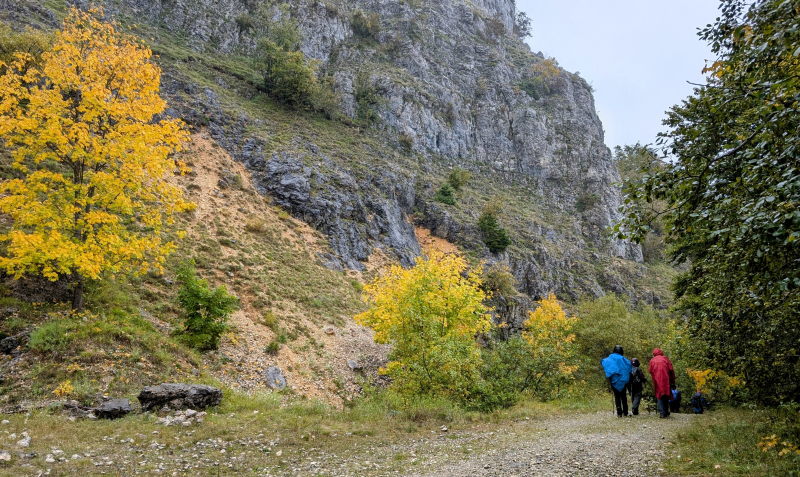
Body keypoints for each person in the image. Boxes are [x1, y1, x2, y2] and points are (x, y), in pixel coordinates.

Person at [601, 345, 632, 417]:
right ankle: (625, 412)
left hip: (614, 381)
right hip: (623, 380)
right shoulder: (623, 359)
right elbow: (629, 367)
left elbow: (606, 365)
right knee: (623, 396)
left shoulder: (609, 358)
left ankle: (619, 413)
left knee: (617, 396)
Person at [648, 348, 676, 418]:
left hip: (657, 380)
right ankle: (665, 411)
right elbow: (671, 370)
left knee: (659, 395)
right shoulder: (665, 359)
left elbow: (650, 371)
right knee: (665, 395)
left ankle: (662, 413)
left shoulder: (652, 360)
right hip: (666, 379)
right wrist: (673, 380)